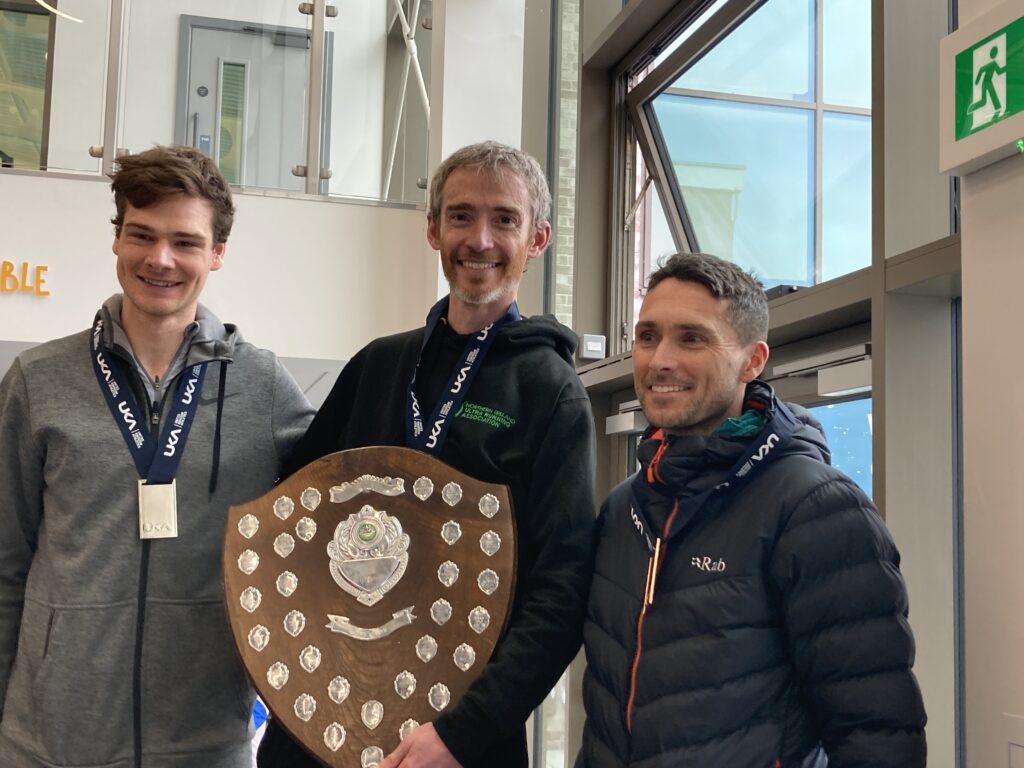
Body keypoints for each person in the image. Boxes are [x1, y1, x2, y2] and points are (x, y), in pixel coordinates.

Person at [257, 141, 596, 768]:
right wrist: (287, 681)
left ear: (539, 237)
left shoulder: (550, 392)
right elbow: (293, 516)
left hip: (458, 738)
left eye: (505, 219)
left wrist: (464, 733)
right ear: (433, 229)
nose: (480, 239)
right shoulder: (379, 364)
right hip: (322, 716)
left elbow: (563, 588)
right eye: (462, 216)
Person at [0, 145, 314, 767]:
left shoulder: (263, 388)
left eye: (185, 242)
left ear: (218, 254)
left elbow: (343, 502)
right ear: (117, 240)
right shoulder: (38, 381)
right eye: (141, 235)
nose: (160, 259)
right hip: (49, 743)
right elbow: (6, 562)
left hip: (206, 742)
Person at [577, 253, 927, 768]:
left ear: (752, 360)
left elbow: (877, 735)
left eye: (691, 338)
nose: (659, 360)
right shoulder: (624, 507)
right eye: (647, 337)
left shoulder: (819, 511)